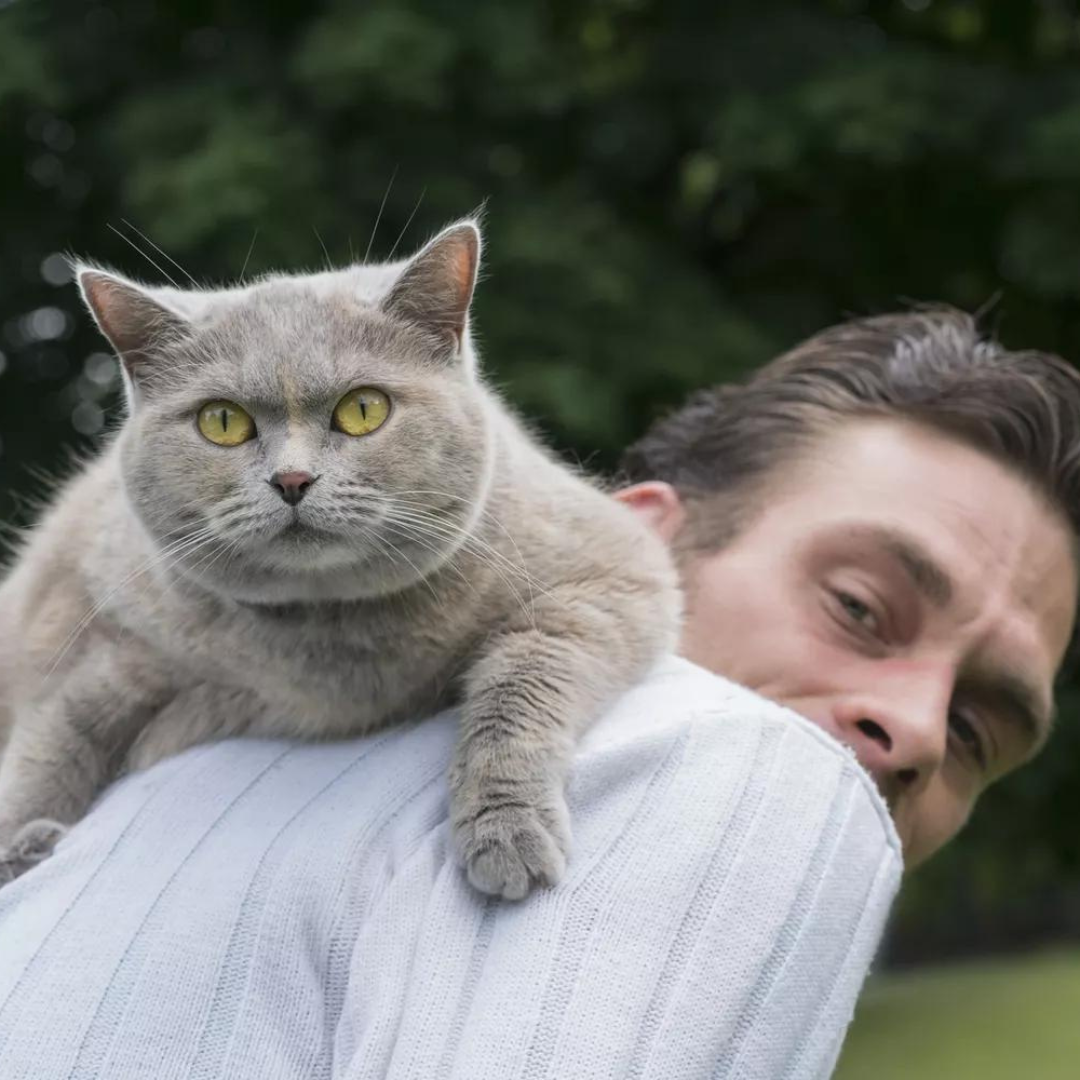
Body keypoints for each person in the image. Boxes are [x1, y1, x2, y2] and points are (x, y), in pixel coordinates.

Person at [0, 308, 1076, 1079]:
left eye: (981, 726)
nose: (919, 732)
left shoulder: (165, 795)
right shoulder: (755, 766)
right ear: (643, 531)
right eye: (857, 605)